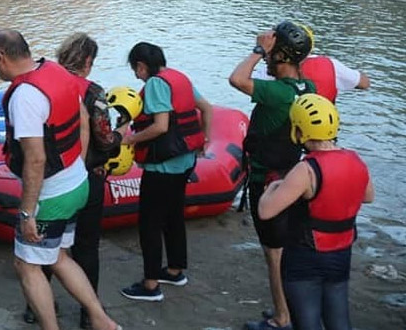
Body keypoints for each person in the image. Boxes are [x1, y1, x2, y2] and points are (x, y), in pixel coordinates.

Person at [0, 29, 122, 330]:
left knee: (27, 264)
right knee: (59, 257)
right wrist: (77, 167)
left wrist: (27, 212)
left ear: (1, 56)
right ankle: (102, 321)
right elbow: (83, 122)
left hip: (51, 195)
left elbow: (35, 159)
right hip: (77, 183)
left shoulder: (25, 96)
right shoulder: (55, 71)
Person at [258, 94, 373, 330]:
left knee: (307, 322)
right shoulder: (355, 159)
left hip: (305, 258)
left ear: (299, 130)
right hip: (341, 254)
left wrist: (274, 187)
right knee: (339, 320)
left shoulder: (306, 169)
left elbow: (265, 211)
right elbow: (368, 196)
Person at [229, 21, 316, 330]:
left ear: (281, 56)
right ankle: (291, 310)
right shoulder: (308, 88)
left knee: (274, 252)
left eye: (270, 53)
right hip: (292, 176)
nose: (266, 58)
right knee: (288, 248)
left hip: (267, 180)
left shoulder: (277, 92)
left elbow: (237, 79)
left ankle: (282, 317)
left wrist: (256, 50)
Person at [118, 42, 213, 302]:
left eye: (135, 70)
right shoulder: (179, 78)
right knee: (173, 216)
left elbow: (160, 127)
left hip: (163, 166)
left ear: (141, 65)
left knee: (150, 223)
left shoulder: (156, 84)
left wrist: (129, 141)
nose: (136, 76)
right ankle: (174, 270)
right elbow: (207, 108)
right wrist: (204, 141)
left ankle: (150, 285)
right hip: (185, 161)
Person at [252, 23, 369, 102]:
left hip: (283, 133)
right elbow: (364, 83)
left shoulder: (271, 71)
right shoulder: (331, 65)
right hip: (323, 133)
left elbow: (239, 80)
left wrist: (260, 50)